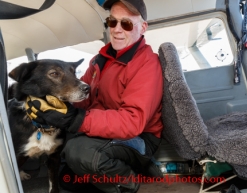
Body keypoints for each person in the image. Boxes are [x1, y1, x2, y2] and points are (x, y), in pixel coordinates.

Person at [26, 0, 163, 192]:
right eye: (112, 21)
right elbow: (84, 98)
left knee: (80, 152)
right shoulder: (99, 61)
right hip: (108, 129)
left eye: (126, 23)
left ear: (143, 27)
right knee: (67, 179)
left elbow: (133, 122)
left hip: (140, 137)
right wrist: (57, 108)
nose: (116, 29)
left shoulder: (146, 64)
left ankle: (128, 182)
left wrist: (78, 119)